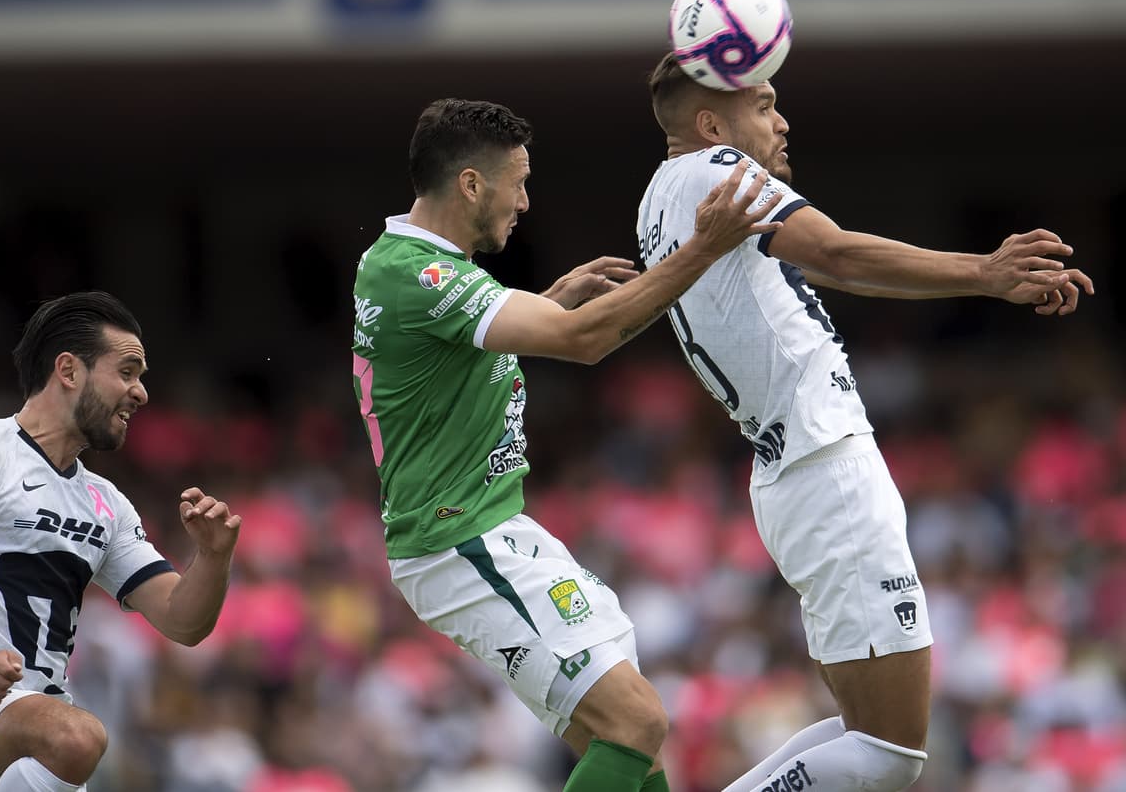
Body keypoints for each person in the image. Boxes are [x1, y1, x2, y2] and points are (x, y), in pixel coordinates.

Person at [637, 52, 1095, 792]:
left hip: (794, 468)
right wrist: (985, 272)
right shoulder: (716, 169)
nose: (782, 122)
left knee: (869, 737)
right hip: (825, 464)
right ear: (713, 124)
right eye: (764, 105)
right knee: (889, 754)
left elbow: (826, 266)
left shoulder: (659, 197)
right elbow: (838, 253)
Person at [351, 97, 790, 792]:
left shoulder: (409, 263)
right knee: (637, 721)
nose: (525, 202)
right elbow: (585, 342)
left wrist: (549, 303)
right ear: (471, 183)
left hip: (492, 529)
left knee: (628, 742)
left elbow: (453, 358)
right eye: (519, 183)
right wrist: (703, 248)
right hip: (458, 541)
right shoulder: (421, 274)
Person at [0, 291, 242, 792]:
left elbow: (183, 620)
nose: (141, 393)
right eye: (127, 372)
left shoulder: (106, 502)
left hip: (40, 730)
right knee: (79, 736)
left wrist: (213, 557)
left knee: (74, 739)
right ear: (68, 371)